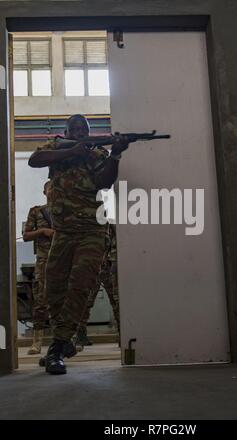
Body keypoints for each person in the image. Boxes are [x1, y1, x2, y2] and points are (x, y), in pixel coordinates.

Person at [28, 114, 128, 375]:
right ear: (66, 131)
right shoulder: (55, 147)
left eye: (83, 129)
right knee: (53, 288)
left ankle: (57, 347)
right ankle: (65, 341)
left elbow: (105, 182)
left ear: (89, 132)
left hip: (91, 231)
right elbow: (34, 160)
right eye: (74, 129)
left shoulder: (96, 155)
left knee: (80, 286)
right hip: (63, 232)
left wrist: (115, 155)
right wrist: (71, 150)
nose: (79, 132)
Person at [74, 223, 119, 351]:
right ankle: (80, 336)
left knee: (116, 301)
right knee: (85, 302)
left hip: (108, 267)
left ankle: (123, 336)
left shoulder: (112, 227)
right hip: (93, 267)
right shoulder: (87, 227)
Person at [23, 181, 54, 355]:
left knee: (64, 301)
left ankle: (64, 340)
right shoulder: (36, 211)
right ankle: (37, 342)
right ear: (44, 191)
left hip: (63, 260)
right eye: (50, 188)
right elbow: (26, 235)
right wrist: (42, 231)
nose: (53, 191)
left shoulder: (66, 211)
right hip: (43, 261)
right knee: (40, 302)